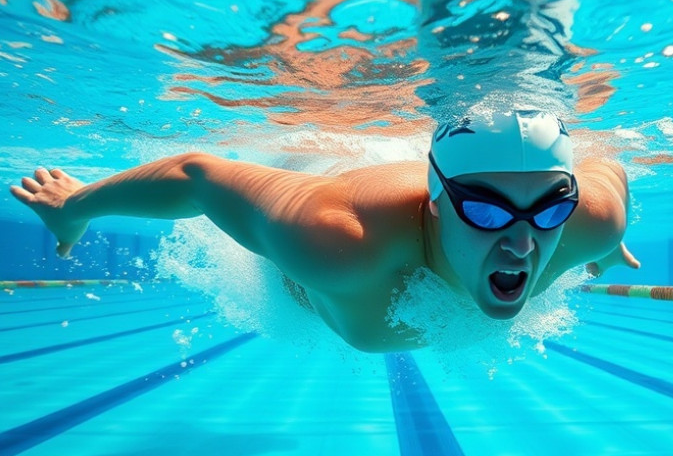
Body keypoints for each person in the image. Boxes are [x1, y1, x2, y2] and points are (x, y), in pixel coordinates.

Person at [9, 109, 639, 352]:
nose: (524, 243)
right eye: (487, 210)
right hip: (314, 183)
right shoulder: (335, 240)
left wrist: (607, 247)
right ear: (439, 202)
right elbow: (199, 175)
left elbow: (607, 174)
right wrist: (77, 205)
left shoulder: (591, 219)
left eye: (552, 208)